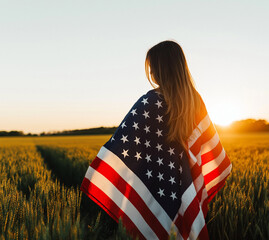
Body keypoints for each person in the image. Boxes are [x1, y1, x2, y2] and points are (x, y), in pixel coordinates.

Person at [80, 40, 232, 240]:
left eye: (152, 68)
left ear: (161, 69)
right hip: (185, 189)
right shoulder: (196, 101)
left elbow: (121, 145)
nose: (151, 73)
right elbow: (210, 150)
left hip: (155, 184)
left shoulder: (149, 102)